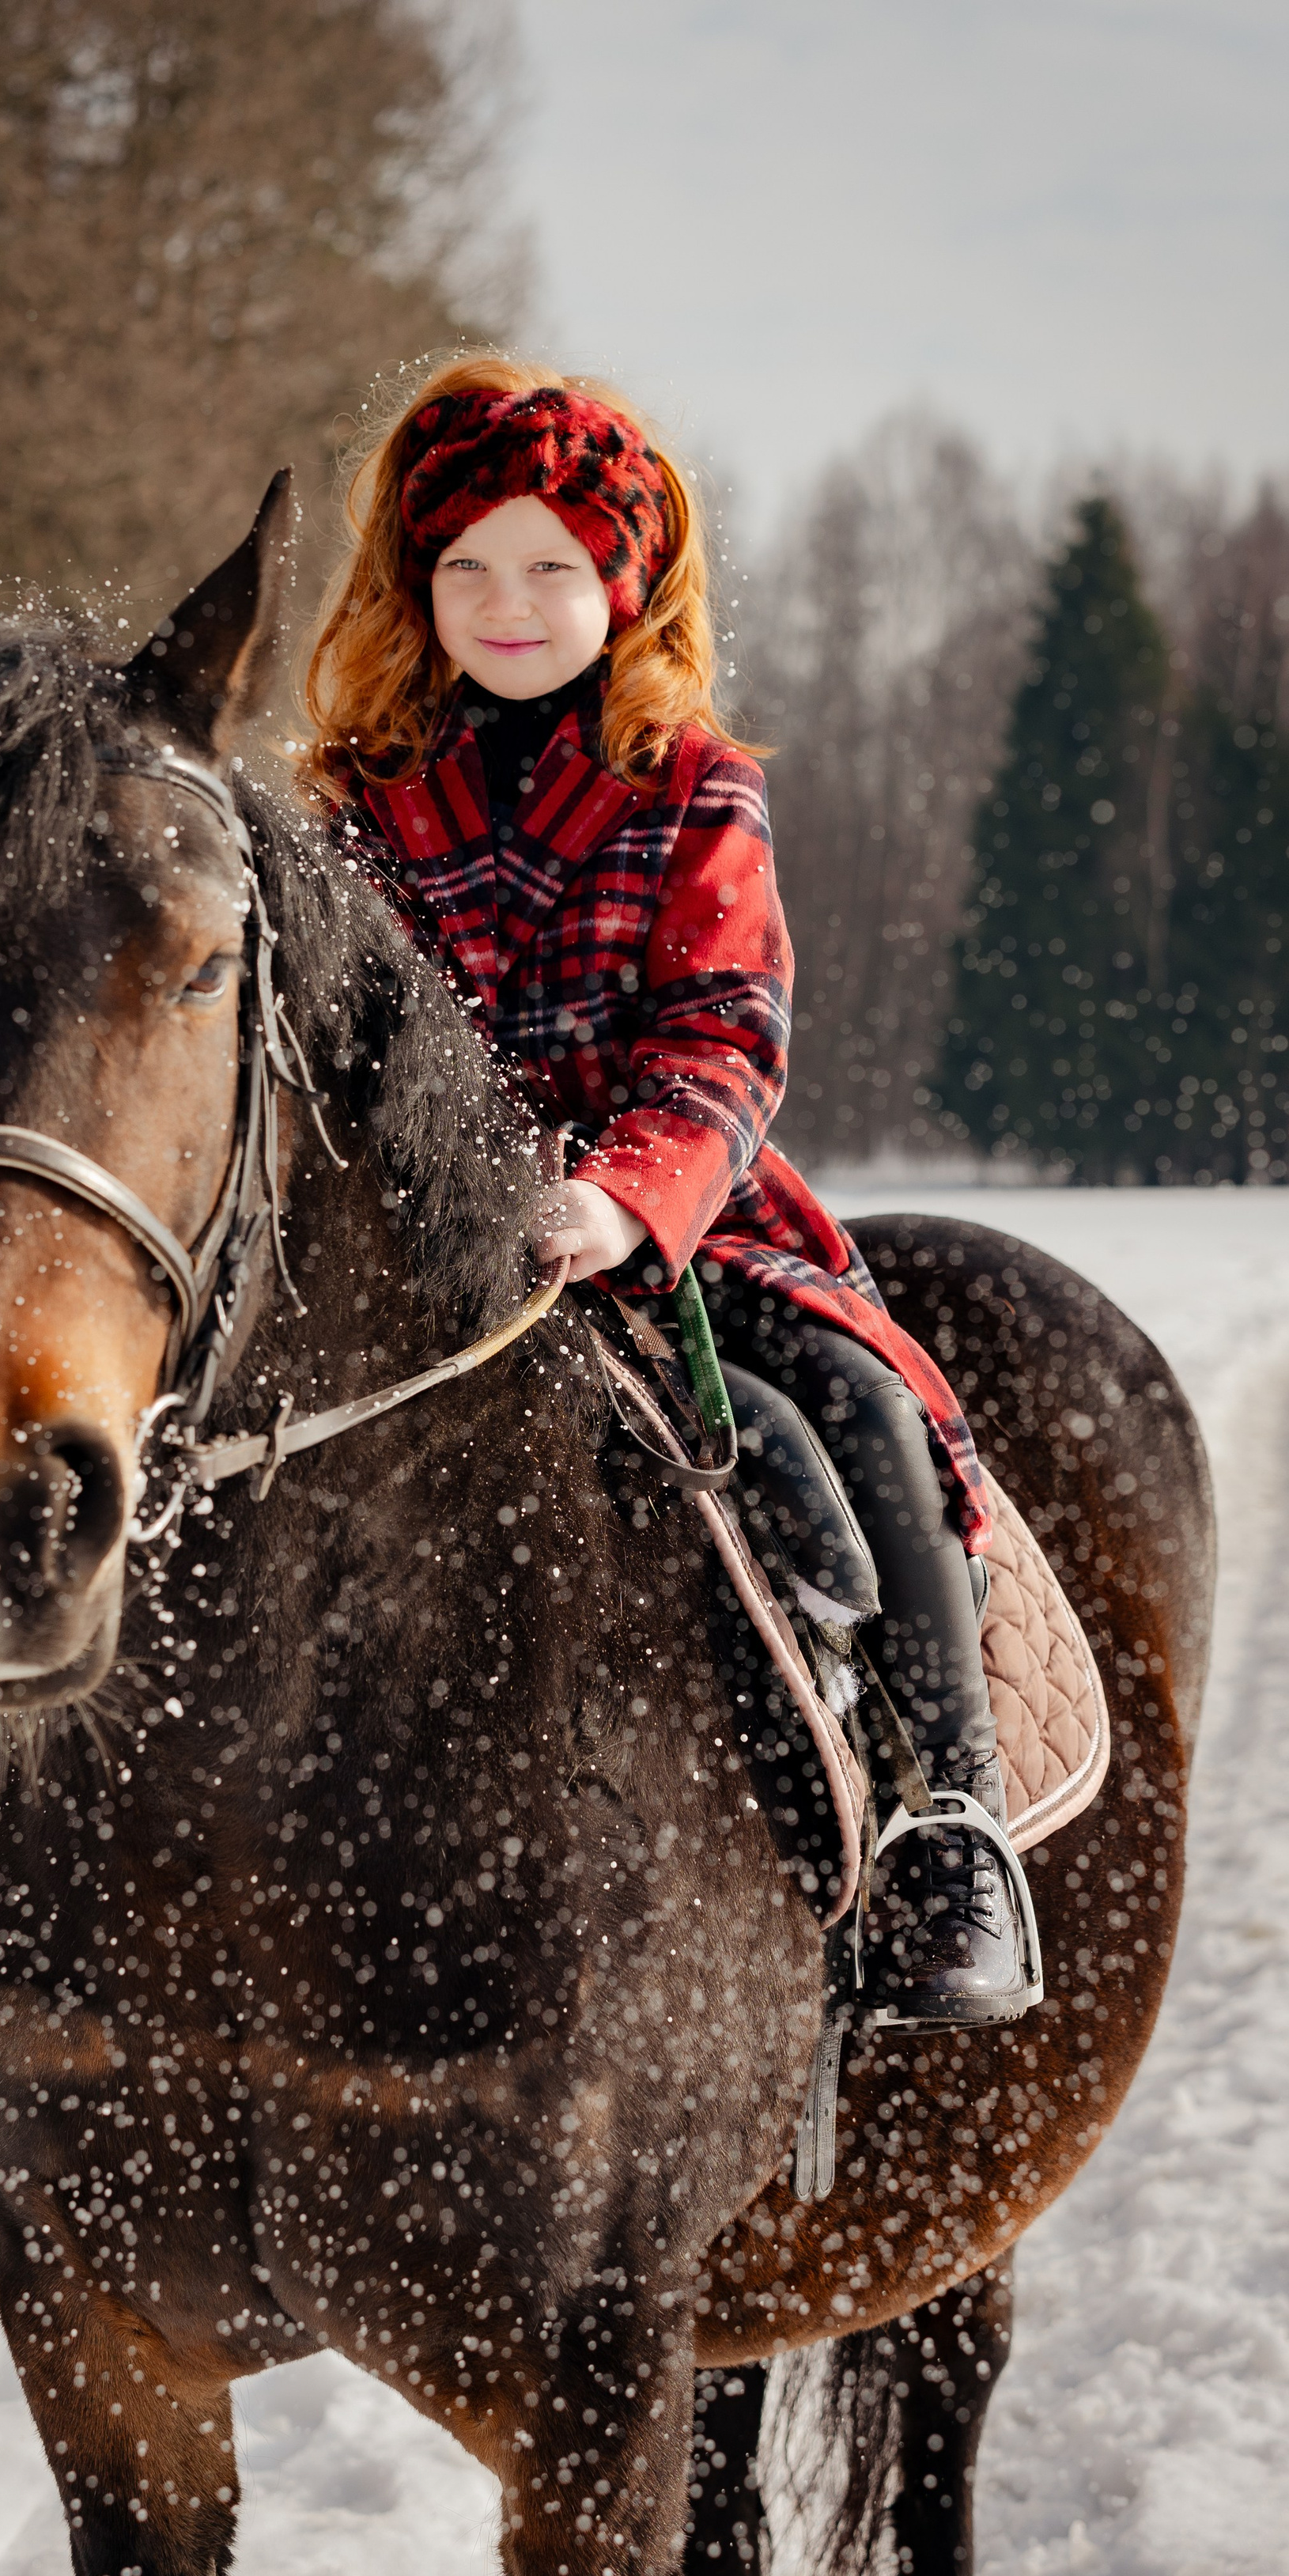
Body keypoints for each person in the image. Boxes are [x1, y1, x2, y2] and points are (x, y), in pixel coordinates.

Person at [301, 356, 1030, 2026]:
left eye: (550, 567)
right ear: (414, 586)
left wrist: (622, 1196)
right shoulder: (351, 799)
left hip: (661, 1229)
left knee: (844, 1412)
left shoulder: (691, 784)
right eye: (465, 567)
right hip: (417, 1250)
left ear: (620, 586)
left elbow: (721, 1028)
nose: (506, 603)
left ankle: (941, 1807)